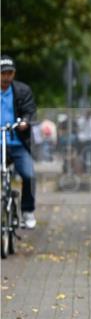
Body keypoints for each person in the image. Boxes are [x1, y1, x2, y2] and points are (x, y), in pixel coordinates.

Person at [0, 55, 37, 229]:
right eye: (3, 73)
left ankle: (27, 211)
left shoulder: (22, 90)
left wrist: (25, 122)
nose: (6, 77)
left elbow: (30, 111)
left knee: (29, 175)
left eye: (10, 73)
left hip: (17, 144)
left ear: (14, 74)